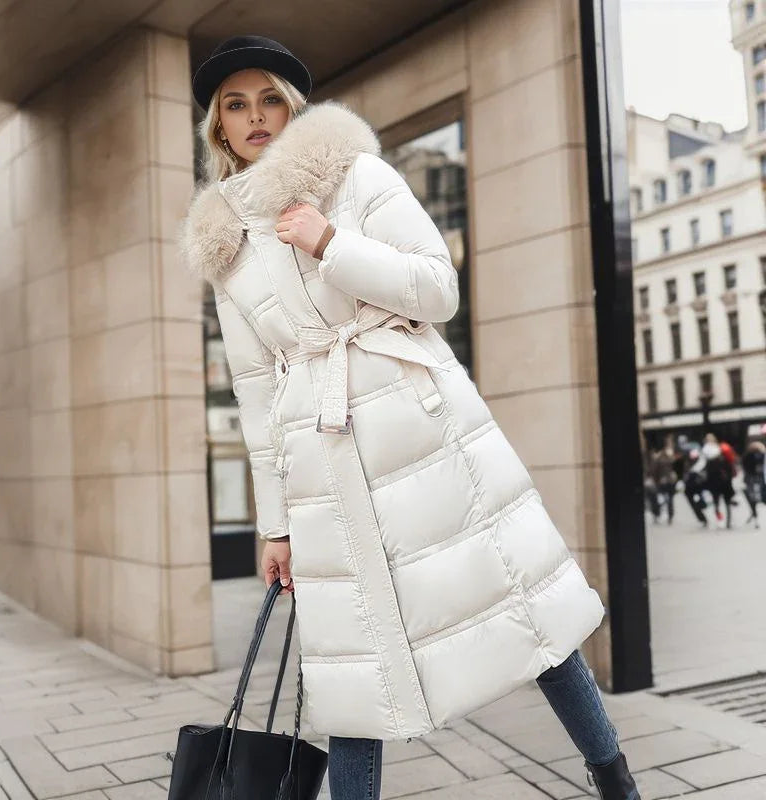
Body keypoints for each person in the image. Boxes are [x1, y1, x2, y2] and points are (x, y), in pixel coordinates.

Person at [181, 35, 640, 799]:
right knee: (356, 676)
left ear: (293, 109)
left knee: (529, 618)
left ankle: (613, 778)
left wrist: (330, 242)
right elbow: (257, 392)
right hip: (324, 465)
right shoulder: (225, 248)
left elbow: (437, 290)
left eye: (269, 99)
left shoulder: (355, 176)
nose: (254, 115)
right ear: (218, 128)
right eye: (235, 104)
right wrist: (276, 526)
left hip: (426, 436)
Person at [701, 434, 735, 529]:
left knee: (724, 502)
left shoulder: (721, 451)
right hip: (718, 481)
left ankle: (728, 521)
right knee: (718, 502)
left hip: (721, 481)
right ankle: (722, 519)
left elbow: (729, 466)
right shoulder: (710, 455)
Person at [742, 440, 765, 528]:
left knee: (752, 501)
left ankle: (755, 518)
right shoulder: (762, 456)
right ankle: (755, 518)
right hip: (759, 481)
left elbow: (745, 469)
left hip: (751, 482)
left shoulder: (746, 456)